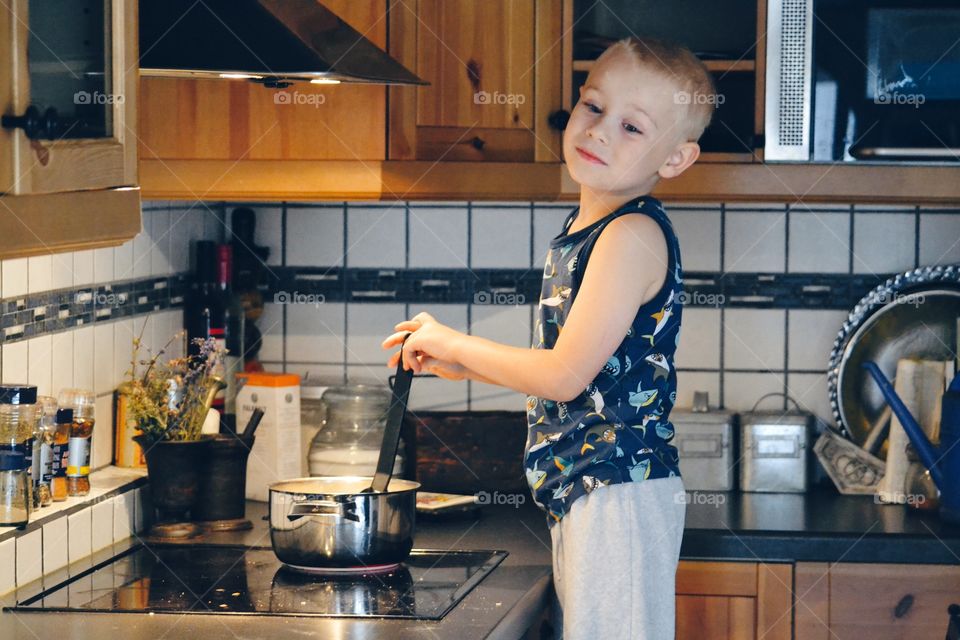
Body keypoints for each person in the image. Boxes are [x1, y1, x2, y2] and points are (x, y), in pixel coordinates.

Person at [382, 36, 717, 640]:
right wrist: (467, 368)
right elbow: (569, 367)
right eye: (592, 108)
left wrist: (456, 344)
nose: (599, 132)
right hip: (588, 491)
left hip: (619, 494)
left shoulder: (630, 235)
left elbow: (564, 374)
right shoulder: (588, 227)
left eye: (632, 127)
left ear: (675, 159)